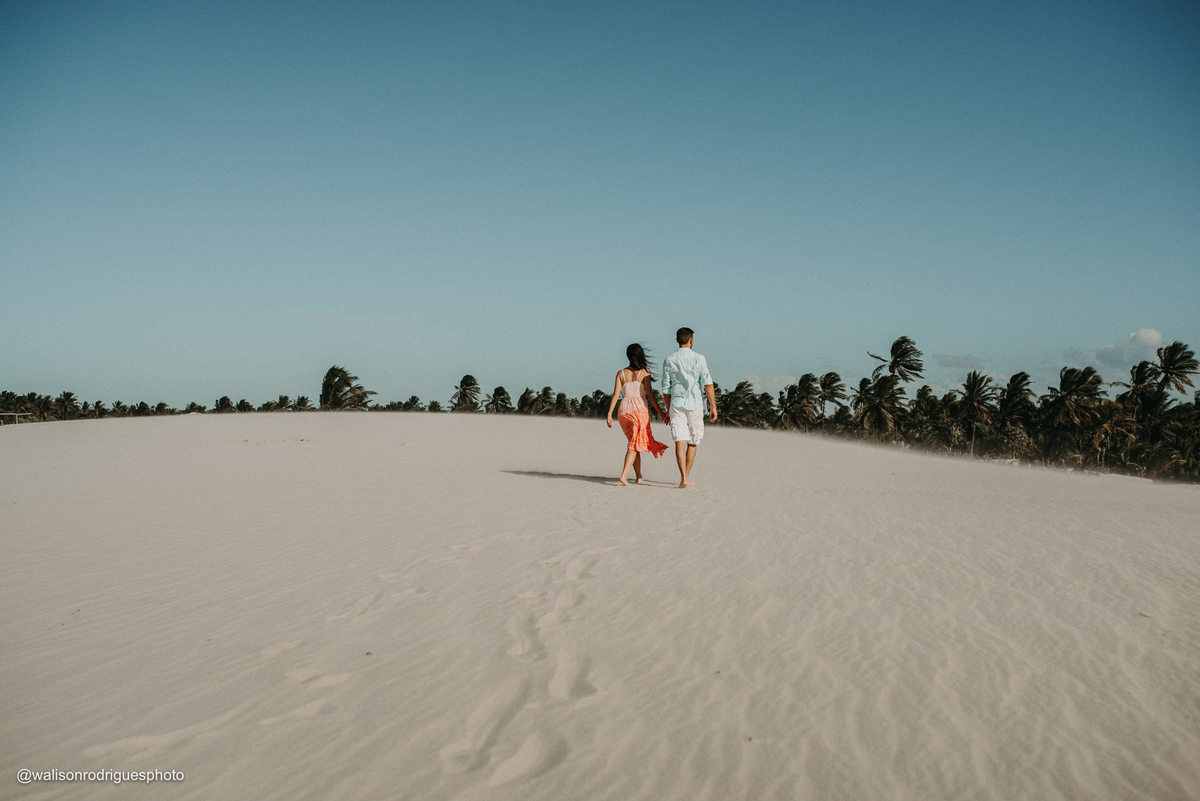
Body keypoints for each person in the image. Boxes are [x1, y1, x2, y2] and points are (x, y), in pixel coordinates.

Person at [606, 343, 670, 485]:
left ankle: (639, 476)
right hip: (639, 412)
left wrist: (610, 414)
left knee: (635, 443)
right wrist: (661, 413)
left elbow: (616, 395)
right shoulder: (645, 373)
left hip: (624, 412)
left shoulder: (620, 373)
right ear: (640, 355)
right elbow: (651, 397)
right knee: (634, 445)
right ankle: (624, 475)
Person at [661, 327, 717, 488]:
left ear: (677, 340)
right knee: (693, 441)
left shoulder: (669, 359)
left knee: (680, 441)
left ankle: (684, 478)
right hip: (695, 404)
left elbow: (666, 388)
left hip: (676, 404)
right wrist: (713, 406)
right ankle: (686, 477)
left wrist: (668, 408)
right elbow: (708, 383)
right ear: (691, 340)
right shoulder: (699, 358)